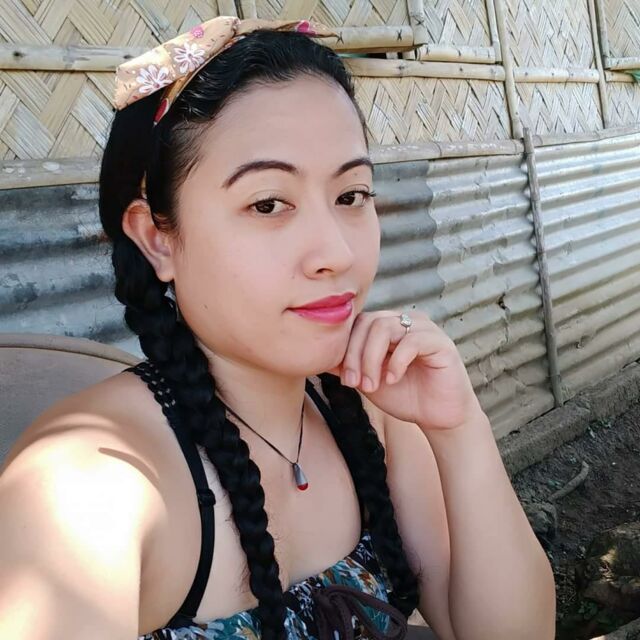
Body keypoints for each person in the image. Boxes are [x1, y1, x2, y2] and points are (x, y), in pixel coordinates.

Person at [0, 16, 555, 640]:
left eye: (352, 196)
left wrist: (458, 430)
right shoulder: (88, 487)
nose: (336, 253)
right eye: (268, 204)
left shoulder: (372, 413)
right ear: (157, 239)